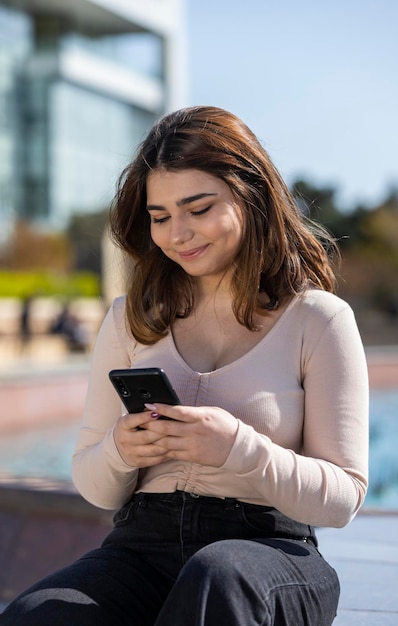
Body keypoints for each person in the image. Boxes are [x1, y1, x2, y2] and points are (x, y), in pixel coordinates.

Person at [1, 106, 369, 625]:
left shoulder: (318, 319)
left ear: (251, 194)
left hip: (268, 552)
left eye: (198, 208)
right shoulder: (131, 318)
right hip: (140, 547)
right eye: (160, 216)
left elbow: (343, 498)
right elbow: (95, 484)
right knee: (36, 614)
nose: (178, 234)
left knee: (217, 578)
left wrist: (239, 449)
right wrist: (120, 450)